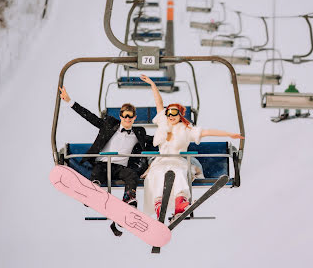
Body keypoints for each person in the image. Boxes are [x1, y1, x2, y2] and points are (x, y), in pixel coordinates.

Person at [138, 75, 244, 220]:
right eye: (168, 112)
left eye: (174, 113)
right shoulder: (163, 124)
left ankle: (180, 202)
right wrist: (152, 84)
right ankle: (159, 203)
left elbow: (206, 132)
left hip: (178, 159)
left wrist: (229, 134)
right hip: (161, 160)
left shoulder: (186, 130)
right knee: (157, 173)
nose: (170, 115)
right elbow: (159, 102)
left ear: (180, 114)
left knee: (179, 172)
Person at [59, 86, 151, 207]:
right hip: (103, 164)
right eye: (125, 116)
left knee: (131, 175)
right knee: (97, 172)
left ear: (134, 117)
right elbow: (90, 117)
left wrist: (176, 130)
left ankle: (129, 198)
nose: (127, 119)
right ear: (120, 117)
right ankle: (93, 192)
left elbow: (156, 140)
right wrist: (70, 101)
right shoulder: (109, 126)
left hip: (121, 168)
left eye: (130, 116)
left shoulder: (138, 133)